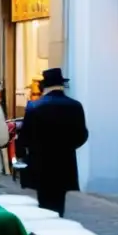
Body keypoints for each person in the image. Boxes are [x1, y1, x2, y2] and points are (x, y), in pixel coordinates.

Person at [16, 68, 89, 215]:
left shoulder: (34, 106)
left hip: (40, 160)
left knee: (44, 198)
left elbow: (25, 136)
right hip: (65, 159)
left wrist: (24, 154)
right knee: (59, 197)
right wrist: (68, 147)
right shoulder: (75, 106)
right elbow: (82, 134)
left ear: (44, 86)